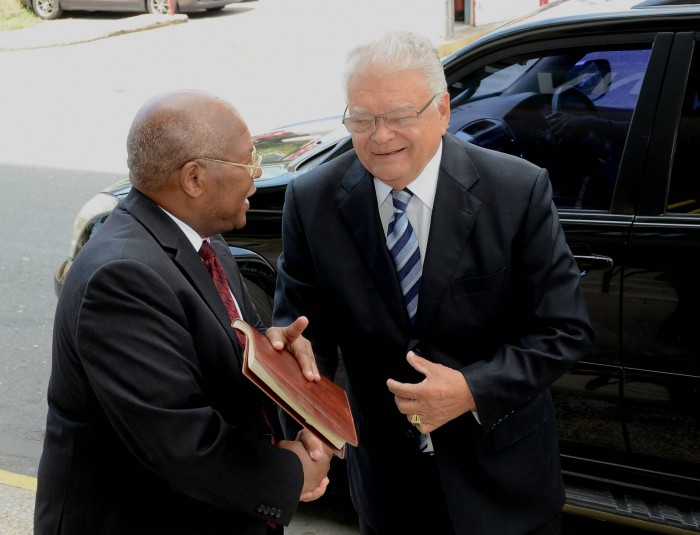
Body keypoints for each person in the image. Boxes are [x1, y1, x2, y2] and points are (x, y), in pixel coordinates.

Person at [272, 31, 594, 535]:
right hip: (389, 486)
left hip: (505, 482)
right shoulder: (312, 200)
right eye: (361, 118)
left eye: (400, 116)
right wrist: (304, 407)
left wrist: (472, 389)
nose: (380, 136)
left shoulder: (516, 190)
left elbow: (564, 330)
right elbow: (303, 333)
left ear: (442, 111)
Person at [34, 89, 333, 535]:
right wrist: (291, 473)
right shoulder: (121, 277)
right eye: (247, 162)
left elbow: (220, 352)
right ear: (193, 178)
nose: (256, 178)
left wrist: (272, 353)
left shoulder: (202, 238)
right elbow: (178, 441)